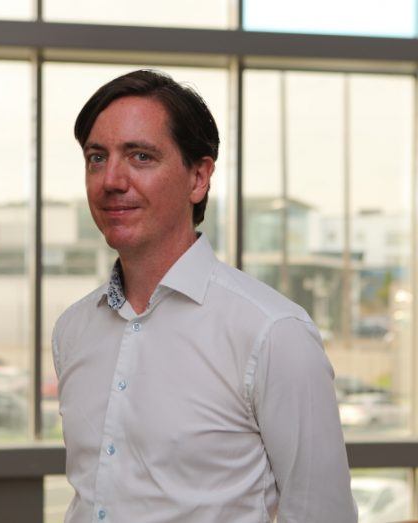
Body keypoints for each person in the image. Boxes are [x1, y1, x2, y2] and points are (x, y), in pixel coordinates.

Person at [52, 69, 357, 522]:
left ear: (198, 177)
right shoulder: (73, 329)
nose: (111, 180)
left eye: (140, 157)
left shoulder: (273, 335)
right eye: (97, 158)